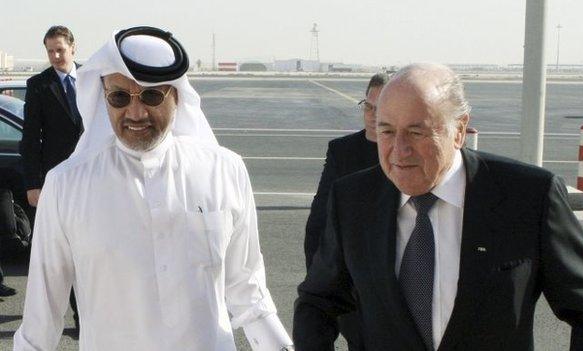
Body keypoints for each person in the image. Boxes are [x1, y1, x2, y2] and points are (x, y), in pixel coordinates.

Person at [293, 63, 583, 350]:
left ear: (459, 130)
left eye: (416, 132)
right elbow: (316, 302)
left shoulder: (529, 197)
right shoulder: (353, 200)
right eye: (387, 132)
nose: (399, 150)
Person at [14, 26, 293, 351]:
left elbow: (247, 288)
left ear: (176, 95)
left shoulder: (224, 171)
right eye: (119, 97)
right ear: (103, 97)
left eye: (151, 95)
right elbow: (41, 318)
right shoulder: (66, 186)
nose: (135, 112)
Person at [303, 73, 388, 349]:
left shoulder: (407, 152)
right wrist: (320, 284)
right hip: (353, 287)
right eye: (368, 106)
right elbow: (318, 222)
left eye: (382, 108)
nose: (373, 115)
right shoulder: (343, 151)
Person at [19, 25, 83, 330]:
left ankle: (87, 312)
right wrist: (33, 183)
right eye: (50, 51)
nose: (56, 56)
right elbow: (30, 139)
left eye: (60, 49)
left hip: (93, 178)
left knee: (91, 247)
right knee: (62, 249)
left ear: (73, 48)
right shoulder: (39, 86)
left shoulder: (95, 78)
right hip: (56, 181)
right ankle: (69, 314)